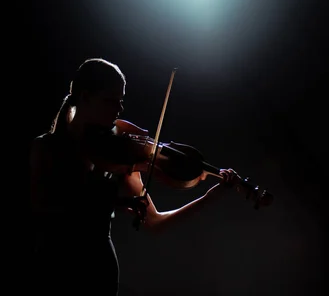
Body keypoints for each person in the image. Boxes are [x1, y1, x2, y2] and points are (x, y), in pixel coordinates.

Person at [28, 57, 237, 295]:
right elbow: (45, 210)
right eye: (110, 101)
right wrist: (116, 201)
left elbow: (155, 223)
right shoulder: (46, 148)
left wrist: (210, 198)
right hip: (53, 269)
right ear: (84, 97)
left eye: (121, 101)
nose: (119, 109)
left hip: (99, 273)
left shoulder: (120, 156)